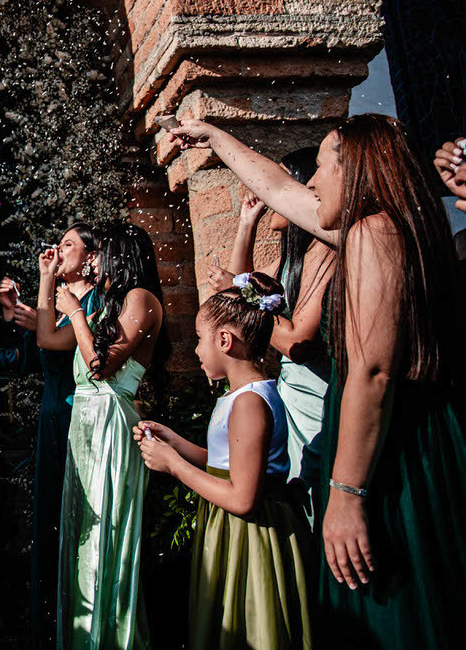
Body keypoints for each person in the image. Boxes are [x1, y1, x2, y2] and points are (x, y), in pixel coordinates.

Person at [171, 113, 466, 646]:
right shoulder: (385, 226)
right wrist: (215, 136)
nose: (311, 183)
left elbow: (372, 374)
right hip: (396, 442)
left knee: (391, 610)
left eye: (324, 167)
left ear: (357, 174)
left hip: (387, 455)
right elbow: (279, 188)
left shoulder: (374, 232)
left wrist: (347, 494)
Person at [135, 272, 313, 649]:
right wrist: (175, 443)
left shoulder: (249, 403)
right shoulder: (240, 395)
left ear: (224, 340)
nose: (197, 351)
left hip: (251, 535)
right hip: (230, 526)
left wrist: (174, 466)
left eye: (200, 339)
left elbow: (243, 498)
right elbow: (228, 463)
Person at [55, 222, 165, 650]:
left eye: (102, 252)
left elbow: (100, 366)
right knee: (85, 531)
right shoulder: (112, 305)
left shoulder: (142, 298)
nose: (95, 260)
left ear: (122, 255)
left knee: (106, 534)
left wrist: (76, 312)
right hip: (86, 424)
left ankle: (109, 639)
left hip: (110, 425)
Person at [209, 148, 335, 504]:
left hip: (317, 393)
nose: (265, 192)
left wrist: (241, 288)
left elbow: (296, 342)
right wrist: (246, 223)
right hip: (291, 392)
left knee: (317, 487)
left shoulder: (324, 252)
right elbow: (239, 295)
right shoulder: (289, 258)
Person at [0, 224, 101, 649]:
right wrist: (14, 316)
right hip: (51, 414)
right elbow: (28, 357)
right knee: (51, 515)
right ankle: (51, 618)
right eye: (58, 243)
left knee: (76, 516)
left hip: (77, 413)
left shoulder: (94, 303)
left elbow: (52, 340)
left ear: (91, 256)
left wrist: (44, 286)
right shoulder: (60, 302)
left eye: (69, 245)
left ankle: (80, 614)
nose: (58, 250)